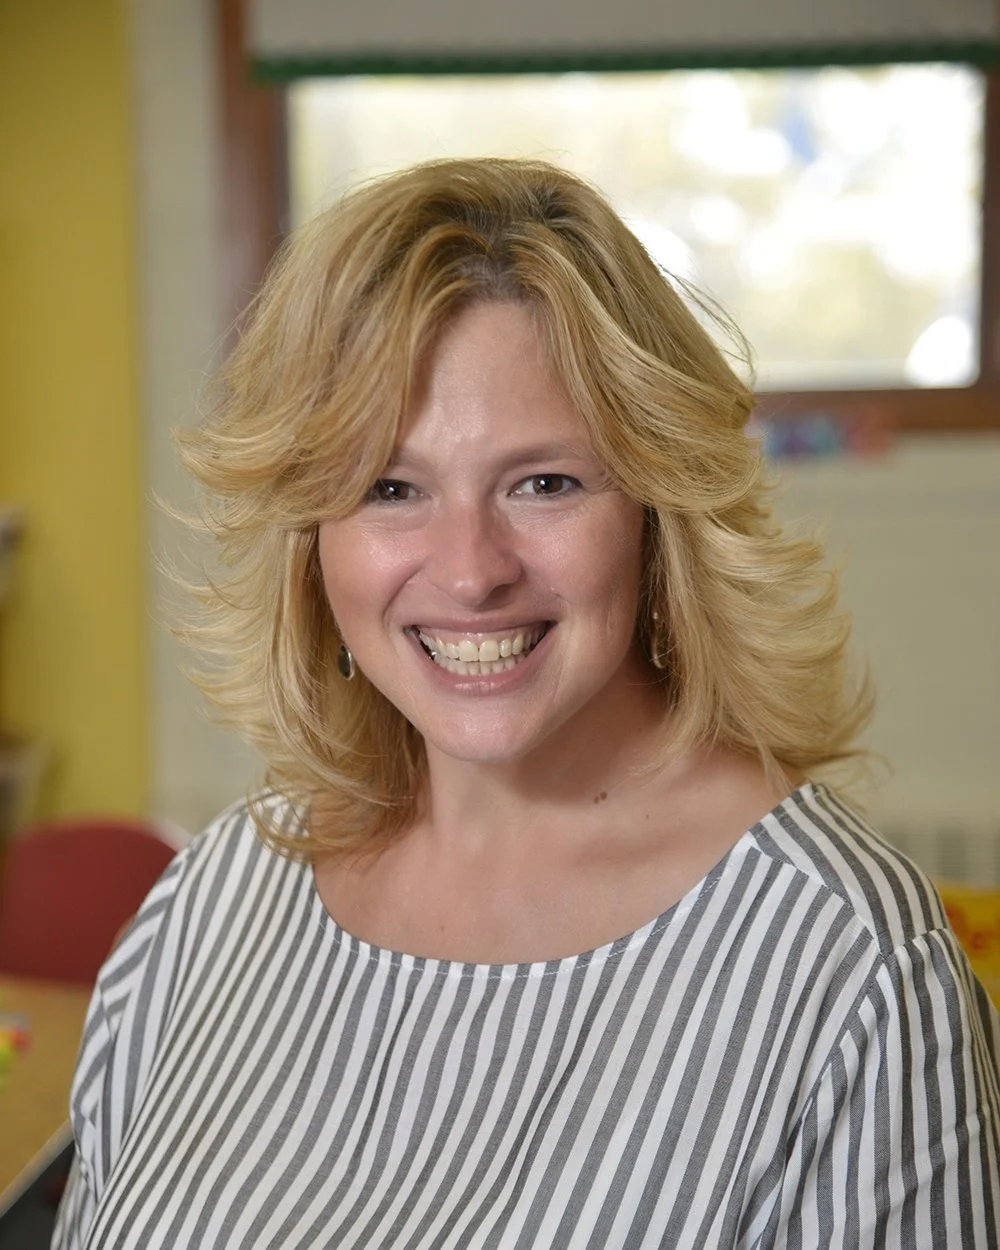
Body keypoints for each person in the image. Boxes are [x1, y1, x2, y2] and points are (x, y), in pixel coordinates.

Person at [54, 158, 999, 1249]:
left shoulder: (851, 973)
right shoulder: (213, 901)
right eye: (389, 487)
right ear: (311, 539)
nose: (469, 570)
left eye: (543, 482)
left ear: (656, 508)